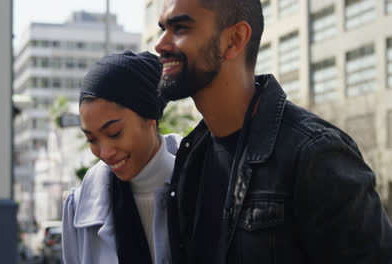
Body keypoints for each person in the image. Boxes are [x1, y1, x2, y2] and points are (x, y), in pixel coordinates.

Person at [154, 0, 392, 263]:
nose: (161, 45)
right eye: (163, 28)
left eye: (180, 28)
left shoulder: (315, 153)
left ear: (234, 40)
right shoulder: (192, 155)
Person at [62, 51, 182, 264]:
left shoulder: (204, 185)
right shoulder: (77, 208)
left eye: (115, 133)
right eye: (91, 139)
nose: (105, 153)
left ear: (150, 118)